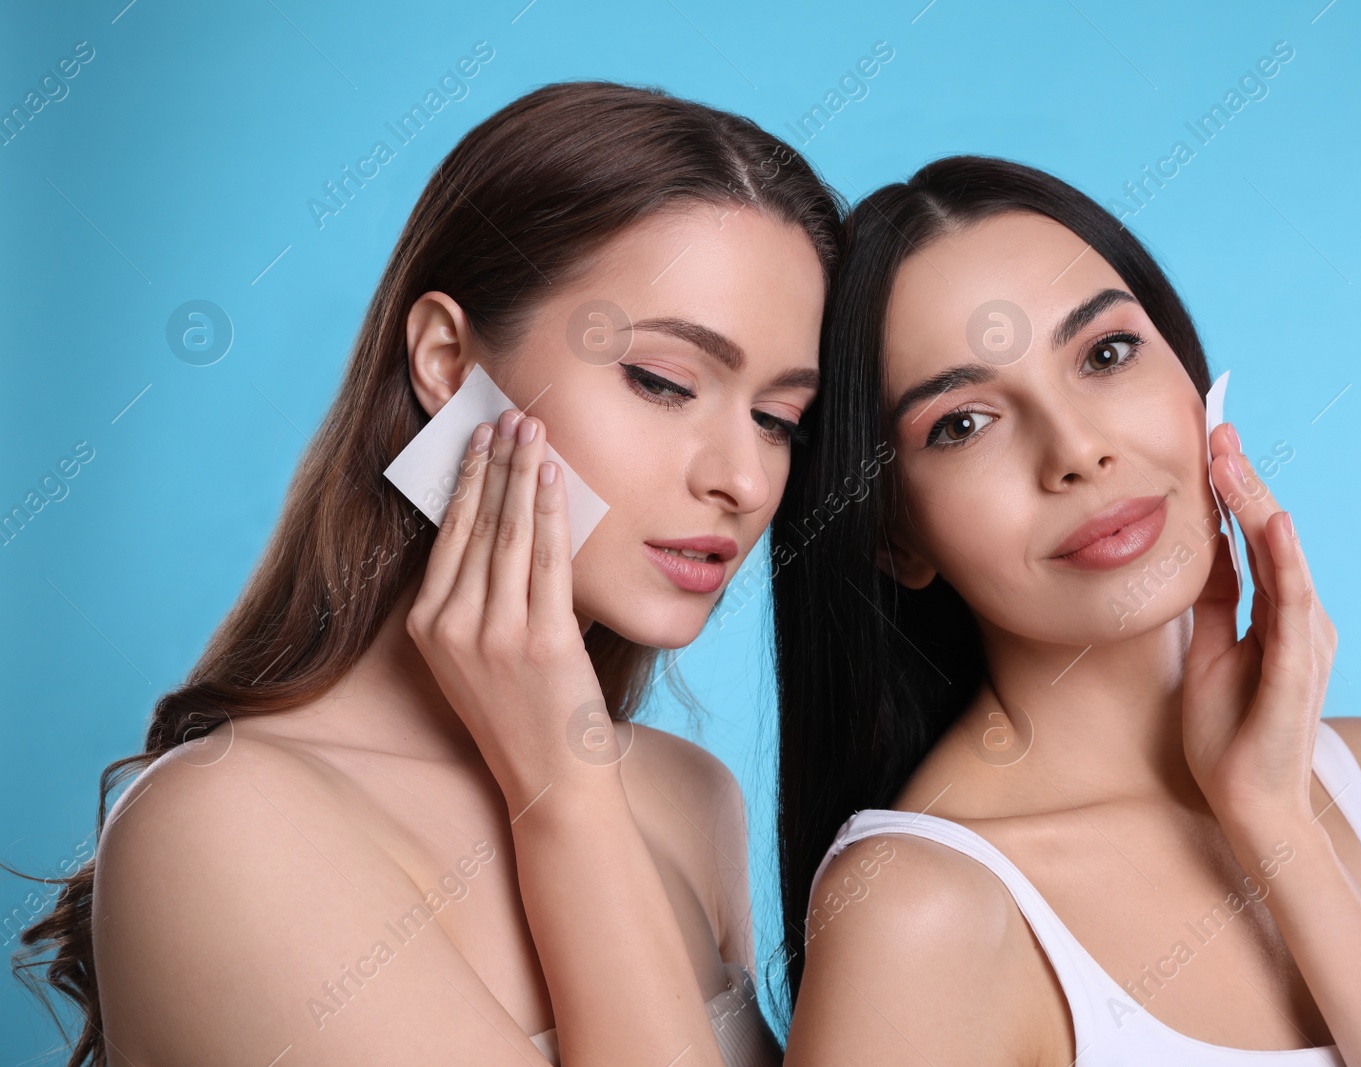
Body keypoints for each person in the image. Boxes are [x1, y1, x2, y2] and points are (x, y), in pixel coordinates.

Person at [12, 80, 840, 1067]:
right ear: (448, 361)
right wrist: (562, 792)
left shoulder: (686, 794)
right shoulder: (220, 827)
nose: (744, 479)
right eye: (662, 382)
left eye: (780, 418)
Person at [772, 155, 1361, 1065]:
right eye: (963, 422)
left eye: (1105, 354)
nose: (1077, 450)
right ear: (892, 536)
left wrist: (1277, 826)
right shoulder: (919, 908)